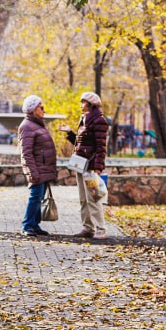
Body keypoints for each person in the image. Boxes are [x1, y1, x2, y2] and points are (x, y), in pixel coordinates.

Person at [71, 91, 109, 239]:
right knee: (83, 198)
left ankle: (101, 229)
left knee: (93, 198)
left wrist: (98, 167)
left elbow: (101, 147)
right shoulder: (84, 119)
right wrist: (70, 134)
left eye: (83, 102)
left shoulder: (99, 120)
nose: (81, 105)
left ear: (90, 104)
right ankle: (87, 227)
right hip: (80, 163)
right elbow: (82, 143)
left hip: (91, 166)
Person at [18, 95, 56, 236]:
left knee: (39, 197)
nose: (44, 109)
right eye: (41, 107)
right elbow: (26, 153)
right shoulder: (27, 126)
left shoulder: (37, 124)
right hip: (37, 170)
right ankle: (27, 225)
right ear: (33, 109)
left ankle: (35, 225)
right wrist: (32, 172)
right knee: (35, 197)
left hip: (43, 168)